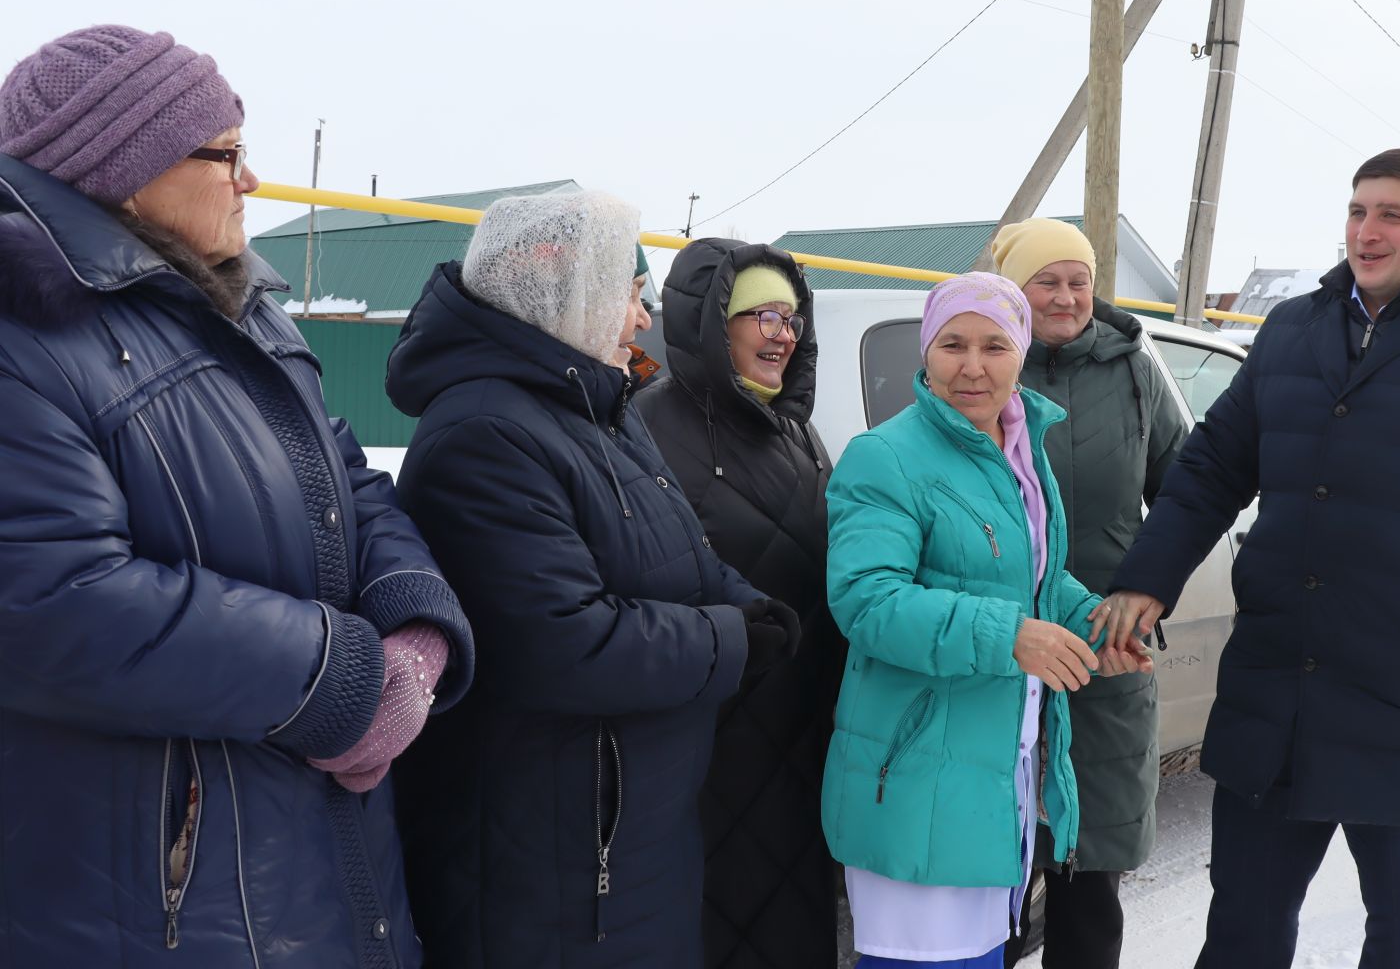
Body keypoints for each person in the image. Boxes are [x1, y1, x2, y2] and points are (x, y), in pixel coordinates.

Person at [0, 24, 474, 967]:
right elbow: (51, 600)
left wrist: (413, 638)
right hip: (164, 901)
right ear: (125, 168)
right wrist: (337, 680)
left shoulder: (237, 309)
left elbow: (344, 476)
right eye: (228, 155)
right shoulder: (25, 336)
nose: (251, 181)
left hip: (311, 856)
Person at [1101, 149, 1400, 968]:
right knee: (1243, 926)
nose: (1367, 232)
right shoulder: (1295, 327)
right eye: (1357, 211)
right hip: (1278, 688)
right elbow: (1213, 465)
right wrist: (1147, 579)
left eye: (1393, 214)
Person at [386, 192, 798, 967]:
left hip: (629, 838)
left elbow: (685, 552)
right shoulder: (486, 434)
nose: (642, 320)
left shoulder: (598, 408)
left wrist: (746, 604)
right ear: (560, 290)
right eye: (628, 294)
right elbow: (561, 646)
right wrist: (731, 639)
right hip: (551, 860)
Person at [822, 272, 1152, 969]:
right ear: (927, 352)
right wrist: (1008, 636)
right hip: (916, 773)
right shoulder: (886, 458)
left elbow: (1033, 576)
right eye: (953, 345)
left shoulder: (1017, 448)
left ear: (1021, 352)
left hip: (998, 770)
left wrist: (1095, 623)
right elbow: (868, 601)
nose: (973, 366)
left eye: (994, 345)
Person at [633, 239, 844, 969]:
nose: (782, 334)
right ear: (709, 322)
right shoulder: (649, 425)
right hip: (710, 739)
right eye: (761, 315)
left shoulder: (795, 430)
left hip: (804, 725)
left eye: (791, 317)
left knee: (796, 920)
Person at [988, 219, 1185, 969]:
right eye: (1048, 280)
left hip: (1105, 645)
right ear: (1016, 288)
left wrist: (1147, 586)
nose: (1068, 296)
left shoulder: (1136, 367)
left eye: (1080, 280)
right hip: (999, 644)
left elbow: (1186, 488)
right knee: (990, 865)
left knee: (1087, 869)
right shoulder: (988, 360)